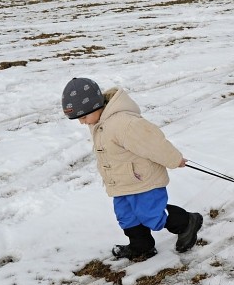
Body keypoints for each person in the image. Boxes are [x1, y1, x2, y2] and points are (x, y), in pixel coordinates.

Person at [61, 78, 203, 261]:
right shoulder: (99, 123)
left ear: (96, 106)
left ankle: (186, 222)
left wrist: (174, 159)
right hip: (121, 182)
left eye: (83, 117)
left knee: (152, 215)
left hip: (143, 180)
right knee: (126, 216)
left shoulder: (124, 123)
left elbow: (153, 143)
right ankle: (141, 246)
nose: (82, 123)